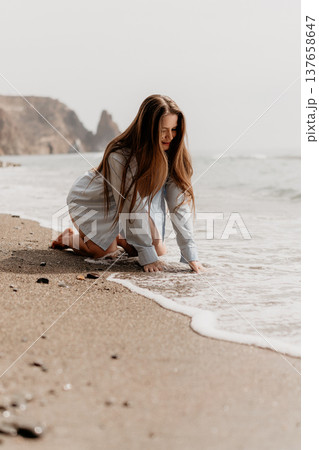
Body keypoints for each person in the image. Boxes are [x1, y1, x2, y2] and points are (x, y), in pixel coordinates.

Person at [51, 94, 204, 273]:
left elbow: (178, 206)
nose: (169, 136)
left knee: (158, 251)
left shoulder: (172, 153)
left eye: (174, 129)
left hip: (127, 206)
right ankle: (69, 238)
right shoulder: (119, 156)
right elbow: (131, 206)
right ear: (148, 128)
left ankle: (119, 237)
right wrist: (146, 256)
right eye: (163, 130)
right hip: (93, 202)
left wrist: (189, 255)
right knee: (104, 253)